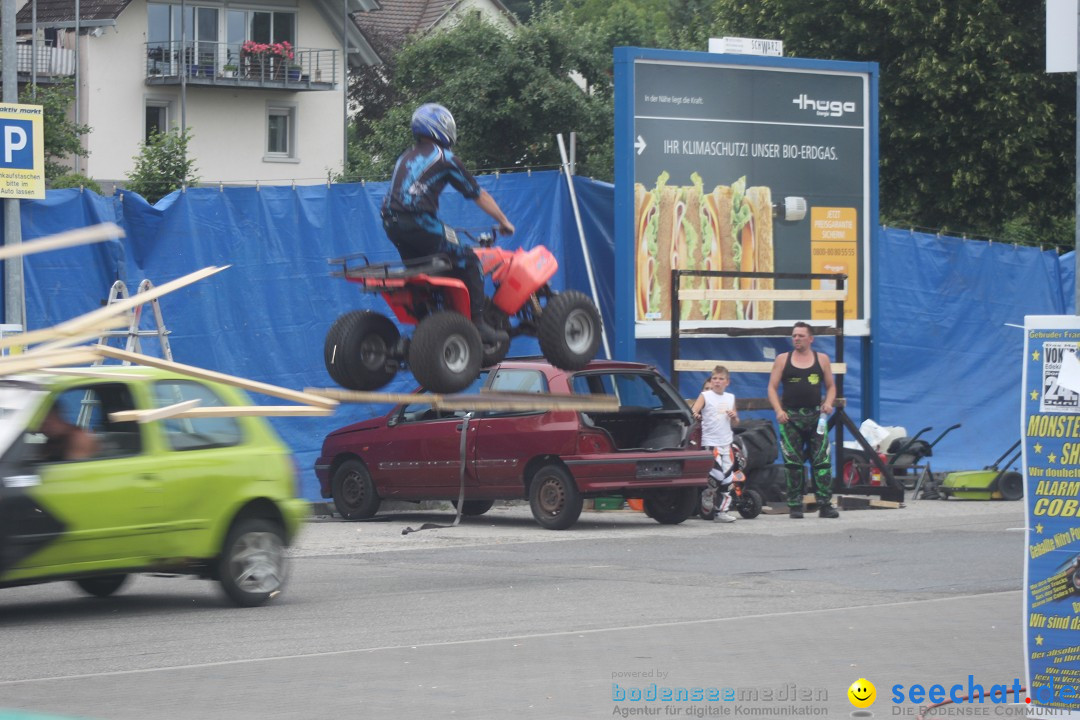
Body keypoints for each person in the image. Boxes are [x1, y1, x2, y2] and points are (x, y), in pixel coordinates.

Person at [380, 103, 515, 345]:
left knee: (421, 271)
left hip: (391, 223)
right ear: (440, 128)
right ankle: (478, 324)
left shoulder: (405, 156)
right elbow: (477, 194)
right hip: (418, 220)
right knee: (470, 260)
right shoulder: (444, 157)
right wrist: (503, 221)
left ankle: (425, 327)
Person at [767, 322, 838, 519]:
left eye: (800, 335)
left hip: (816, 417)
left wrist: (829, 403)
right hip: (790, 417)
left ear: (810, 338)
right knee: (793, 463)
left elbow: (831, 386)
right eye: (794, 335)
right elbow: (771, 388)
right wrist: (778, 410)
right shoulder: (783, 359)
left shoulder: (822, 359)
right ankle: (795, 504)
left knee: (822, 461)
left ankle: (824, 504)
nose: (796, 339)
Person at [691, 366, 739, 523]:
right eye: (715, 379)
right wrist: (696, 415)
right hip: (710, 443)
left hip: (726, 443)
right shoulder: (705, 396)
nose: (717, 382)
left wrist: (733, 417)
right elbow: (693, 411)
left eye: (721, 379)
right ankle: (708, 492)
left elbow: (736, 421)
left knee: (728, 479)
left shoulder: (730, 398)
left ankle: (722, 511)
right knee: (718, 475)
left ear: (727, 382)